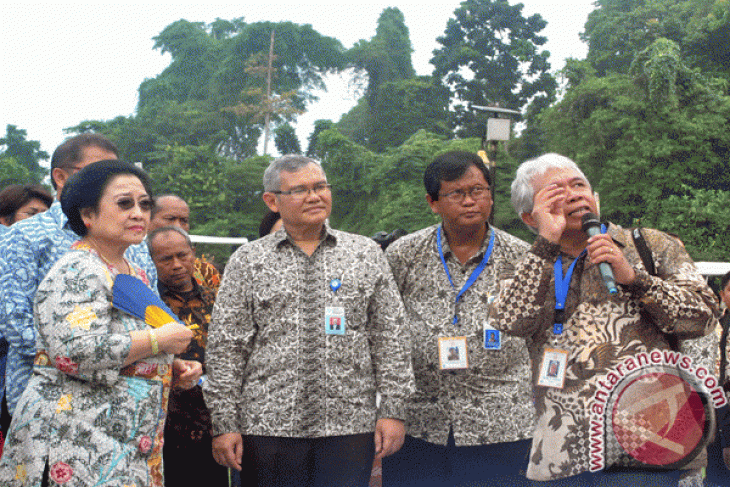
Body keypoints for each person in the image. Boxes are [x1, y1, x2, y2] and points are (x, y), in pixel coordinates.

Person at [491, 153, 719, 485]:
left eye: (579, 185)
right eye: (556, 191)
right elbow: (510, 321)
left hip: (647, 446)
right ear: (530, 217)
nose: (573, 195)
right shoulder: (525, 265)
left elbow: (705, 317)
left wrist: (637, 280)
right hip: (562, 451)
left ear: (595, 197)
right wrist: (545, 245)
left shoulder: (650, 246)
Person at [204, 154, 415, 487]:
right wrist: (224, 422)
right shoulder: (249, 260)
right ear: (272, 201)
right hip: (267, 427)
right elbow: (226, 347)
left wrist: (393, 410)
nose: (315, 196)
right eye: (300, 190)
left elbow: (390, 336)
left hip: (348, 425)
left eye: (321, 186)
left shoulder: (365, 253)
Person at [0, 159, 200, 486]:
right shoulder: (77, 269)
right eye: (124, 203)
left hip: (116, 444)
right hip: (73, 441)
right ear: (88, 215)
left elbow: (125, 345)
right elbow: (75, 352)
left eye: (144, 204)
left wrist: (168, 365)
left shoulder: (131, 271)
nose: (138, 213)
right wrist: (157, 342)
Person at [382, 151, 533, 486]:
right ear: (433, 202)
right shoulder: (403, 255)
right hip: (420, 423)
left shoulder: (522, 257)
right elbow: (385, 331)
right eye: (457, 194)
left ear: (491, 197)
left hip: (500, 424)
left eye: (478, 191)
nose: (470, 201)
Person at [0, 134, 158, 424]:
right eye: (97, 171)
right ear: (60, 177)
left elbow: (152, 318)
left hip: (126, 406)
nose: (110, 180)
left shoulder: (137, 248)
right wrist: (98, 353)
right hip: (52, 406)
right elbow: (15, 323)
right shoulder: (24, 237)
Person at [147, 226, 229, 487]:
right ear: (151, 261)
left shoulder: (220, 299)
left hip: (213, 419)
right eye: (165, 259)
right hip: (163, 423)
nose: (176, 265)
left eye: (182, 255)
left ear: (193, 253)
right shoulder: (148, 303)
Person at [149, 193, 221, 292]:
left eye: (184, 220)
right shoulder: (130, 267)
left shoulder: (206, 273)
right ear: (147, 219)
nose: (178, 226)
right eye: (170, 219)